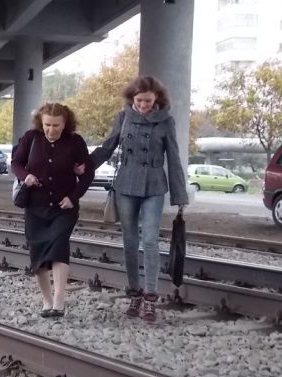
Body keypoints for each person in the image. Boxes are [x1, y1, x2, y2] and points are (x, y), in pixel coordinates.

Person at [90, 75, 189, 322]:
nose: (144, 105)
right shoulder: (123, 117)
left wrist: (180, 195)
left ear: (157, 99)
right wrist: (84, 166)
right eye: (139, 100)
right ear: (132, 98)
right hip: (126, 185)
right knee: (130, 241)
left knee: (151, 240)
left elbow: (174, 158)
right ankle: (134, 293)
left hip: (154, 186)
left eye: (148, 100)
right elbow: (108, 146)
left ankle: (150, 297)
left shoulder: (166, 121)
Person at [11, 103, 94, 318]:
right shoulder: (31, 138)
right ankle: (46, 301)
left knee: (58, 247)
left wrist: (73, 197)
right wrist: (25, 176)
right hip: (35, 207)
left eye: (56, 125)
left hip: (63, 208)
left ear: (65, 124)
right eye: (47, 124)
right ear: (41, 122)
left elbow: (88, 174)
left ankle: (59, 300)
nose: (51, 129)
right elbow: (16, 163)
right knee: (38, 253)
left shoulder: (75, 142)